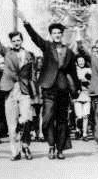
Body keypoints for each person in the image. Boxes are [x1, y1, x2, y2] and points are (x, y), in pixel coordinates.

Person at [17, 11, 77, 160]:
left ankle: (60, 149)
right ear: (51, 34)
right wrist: (25, 21)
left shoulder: (68, 51)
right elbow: (34, 36)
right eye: (54, 32)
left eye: (59, 32)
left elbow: (73, 72)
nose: (57, 34)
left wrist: (76, 89)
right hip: (48, 88)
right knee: (47, 118)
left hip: (63, 89)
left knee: (62, 120)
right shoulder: (47, 46)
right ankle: (51, 145)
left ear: (62, 34)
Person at [0, 14, 36, 160]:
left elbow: (32, 75)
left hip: (24, 90)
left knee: (26, 118)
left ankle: (26, 145)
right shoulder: (7, 52)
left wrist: (35, 92)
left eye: (18, 40)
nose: (16, 42)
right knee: (11, 123)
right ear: (11, 42)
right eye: (13, 40)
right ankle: (14, 151)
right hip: (10, 90)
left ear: (22, 41)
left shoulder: (29, 55)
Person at [74, 53, 92, 141]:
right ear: (77, 62)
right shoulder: (74, 71)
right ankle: (78, 129)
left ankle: (85, 134)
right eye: (79, 61)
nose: (81, 62)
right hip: (77, 95)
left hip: (86, 94)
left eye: (82, 61)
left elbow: (92, 81)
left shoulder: (89, 70)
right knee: (79, 116)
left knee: (86, 116)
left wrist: (87, 80)